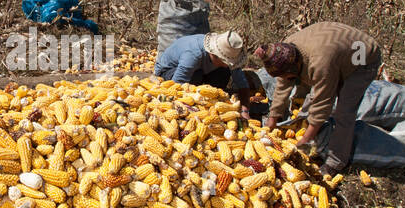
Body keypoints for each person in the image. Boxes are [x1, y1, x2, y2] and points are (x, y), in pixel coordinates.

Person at [255, 22, 382, 173]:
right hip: (334, 50)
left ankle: (336, 161)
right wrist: (272, 120)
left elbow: (323, 103)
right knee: (309, 89)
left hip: (363, 58)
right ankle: (304, 122)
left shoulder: (321, 63)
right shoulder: (286, 50)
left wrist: (305, 141)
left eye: (288, 75)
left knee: (344, 111)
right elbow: (282, 86)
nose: (286, 78)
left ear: (294, 67)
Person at [154, 31, 245, 94]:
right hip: (168, 72)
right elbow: (176, 85)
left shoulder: (229, 53)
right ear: (214, 55)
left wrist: (245, 110)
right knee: (196, 75)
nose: (226, 65)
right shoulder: (193, 54)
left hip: (196, 69)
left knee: (224, 72)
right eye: (225, 62)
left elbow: (242, 83)